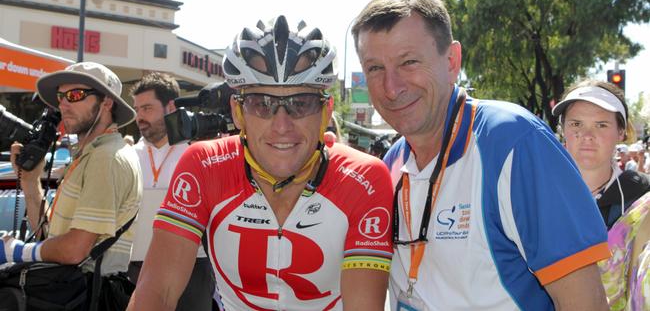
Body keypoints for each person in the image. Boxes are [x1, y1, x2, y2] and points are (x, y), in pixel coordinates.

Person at [352, 0, 610, 310]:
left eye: (409, 62)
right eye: (375, 68)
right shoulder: (391, 164)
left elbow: (587, 303)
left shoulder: (514, 143)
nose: (391, 87)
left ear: (451, 62)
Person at [127, 16, 394, 311]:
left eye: (301, 103)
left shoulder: (363, 178)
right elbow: (157, 291)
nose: (282, 125)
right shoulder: (204, 164)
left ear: (325, 112)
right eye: (261, 104)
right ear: (238, 112)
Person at [3, 62, 142, 302]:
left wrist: (13, 250)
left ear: (106, 103)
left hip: (88, 296)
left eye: (75, 95)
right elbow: (49, 240)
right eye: (60, 96)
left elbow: (74, 250)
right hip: (73, 293)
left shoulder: (105, 158)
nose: (63, 104)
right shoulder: (91, 154)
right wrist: (31, 183)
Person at [552, 80, 650, 310]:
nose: (587, 135)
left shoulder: (642, 196)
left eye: (601, 125)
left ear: (621, 132)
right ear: (563, 129)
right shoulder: (538, 196)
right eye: (576, 123)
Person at [129, 72, 215, 310]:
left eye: (147, 108)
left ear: (170, 107)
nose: (140, 117)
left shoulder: (198, 154)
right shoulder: (127, 156)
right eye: (137, 109)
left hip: (193, 268)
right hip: (135, 268)